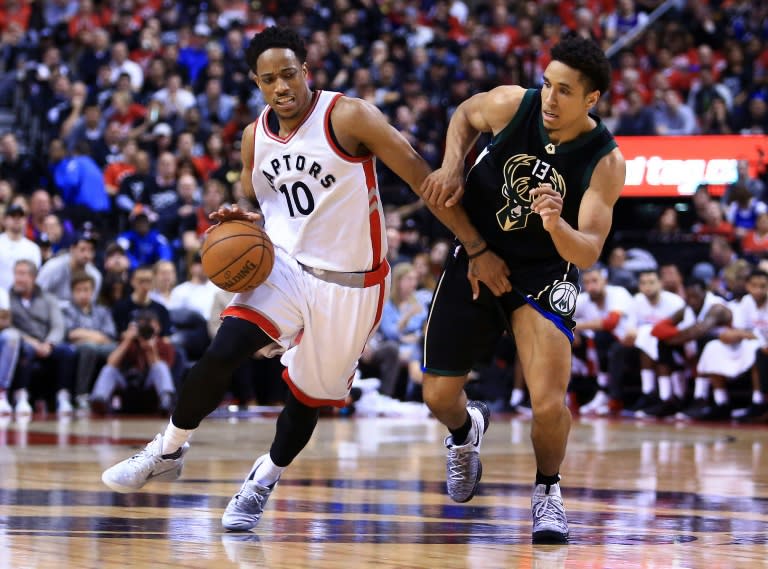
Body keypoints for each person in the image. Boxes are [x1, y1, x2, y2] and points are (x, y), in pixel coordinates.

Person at [101, 27, 493, 532]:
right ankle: (166, 451)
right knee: (224, 348)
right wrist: (238, 221)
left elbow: (423, 180)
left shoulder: (349, 116)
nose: (281, 86)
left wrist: (478, 248)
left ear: (306, 71)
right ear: (257, 84)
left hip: (351, 284)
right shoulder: (253, 137)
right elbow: (266, 210)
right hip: (286, 266)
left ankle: (263, 480)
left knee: (307, 398)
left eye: (289, 74)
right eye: (269, 79)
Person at [418, 35, 625, 543]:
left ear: (592, 99)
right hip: (478, 253)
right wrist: (450, 165)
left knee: (549, 402)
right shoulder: (515, 104)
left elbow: (588, 251)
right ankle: (466, 433)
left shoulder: (606, 161)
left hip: (545, 272)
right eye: (548, 85)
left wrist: (556, 224)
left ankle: (548, 492)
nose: (551, 99)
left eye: (566, 91)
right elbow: (465, 114)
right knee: (437, 395)